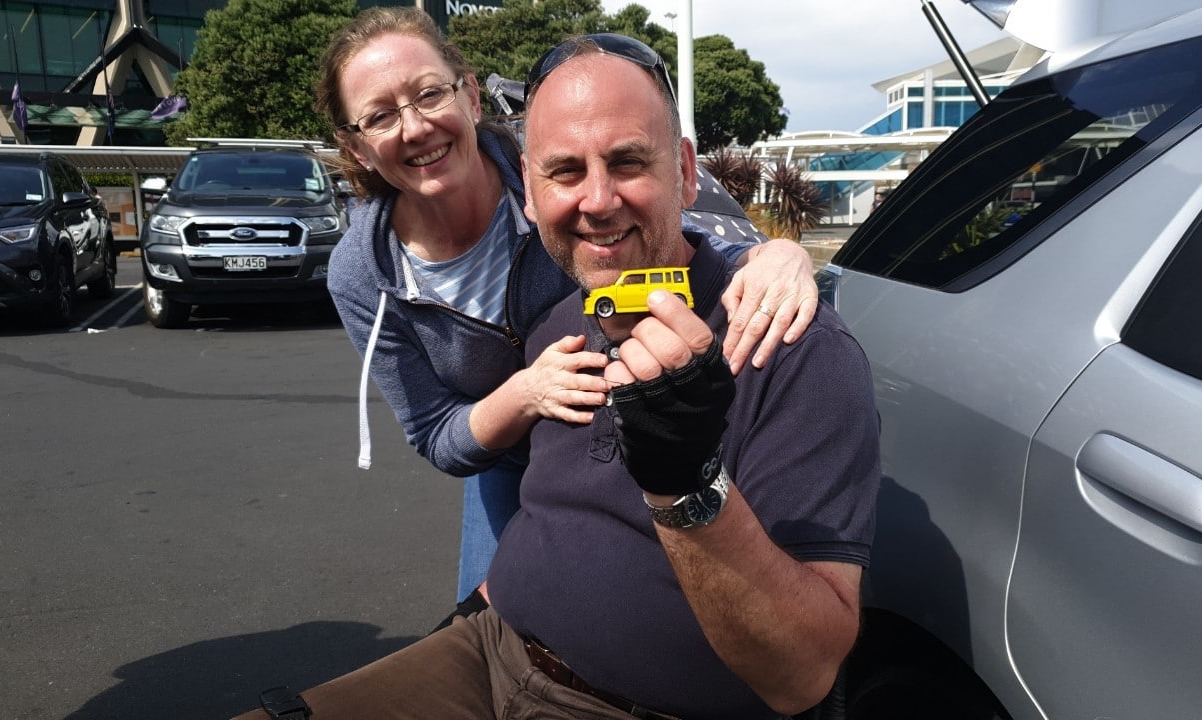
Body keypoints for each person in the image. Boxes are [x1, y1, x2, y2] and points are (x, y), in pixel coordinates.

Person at [234, 33, 879, 720]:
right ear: (531, 196)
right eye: (565, 173)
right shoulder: (544, 319)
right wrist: (478, 603)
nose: (597, 200)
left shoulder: (792, 347)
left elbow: (802, 676)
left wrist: (685, 480)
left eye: (629, 161)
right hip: (490, 644)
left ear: (686, 173)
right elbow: (498, 471)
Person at [316, 7, 821, 602]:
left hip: (631, 426)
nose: (416, 127)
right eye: (379, 116)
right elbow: (435, 435)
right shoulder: (361, 272)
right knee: (493, 627)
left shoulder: (563, 164)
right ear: (356, 146)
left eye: (429, 94)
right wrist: (525, 393)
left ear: (471, 96)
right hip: (508, 460)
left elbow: (674, 223)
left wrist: (773, 256)